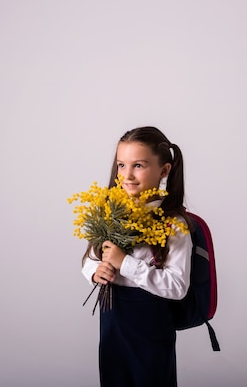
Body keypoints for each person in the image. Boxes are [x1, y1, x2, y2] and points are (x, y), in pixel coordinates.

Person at [81, 126, 193, 386]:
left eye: (138, 165)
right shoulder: (110, 211)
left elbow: (178, 287)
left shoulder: (173, 223)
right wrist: (95, 272)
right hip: (112, 322)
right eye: (121, 165)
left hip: (151, 329)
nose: (127, 175)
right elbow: (90, 258)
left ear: (164, 170)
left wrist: (125, 264)